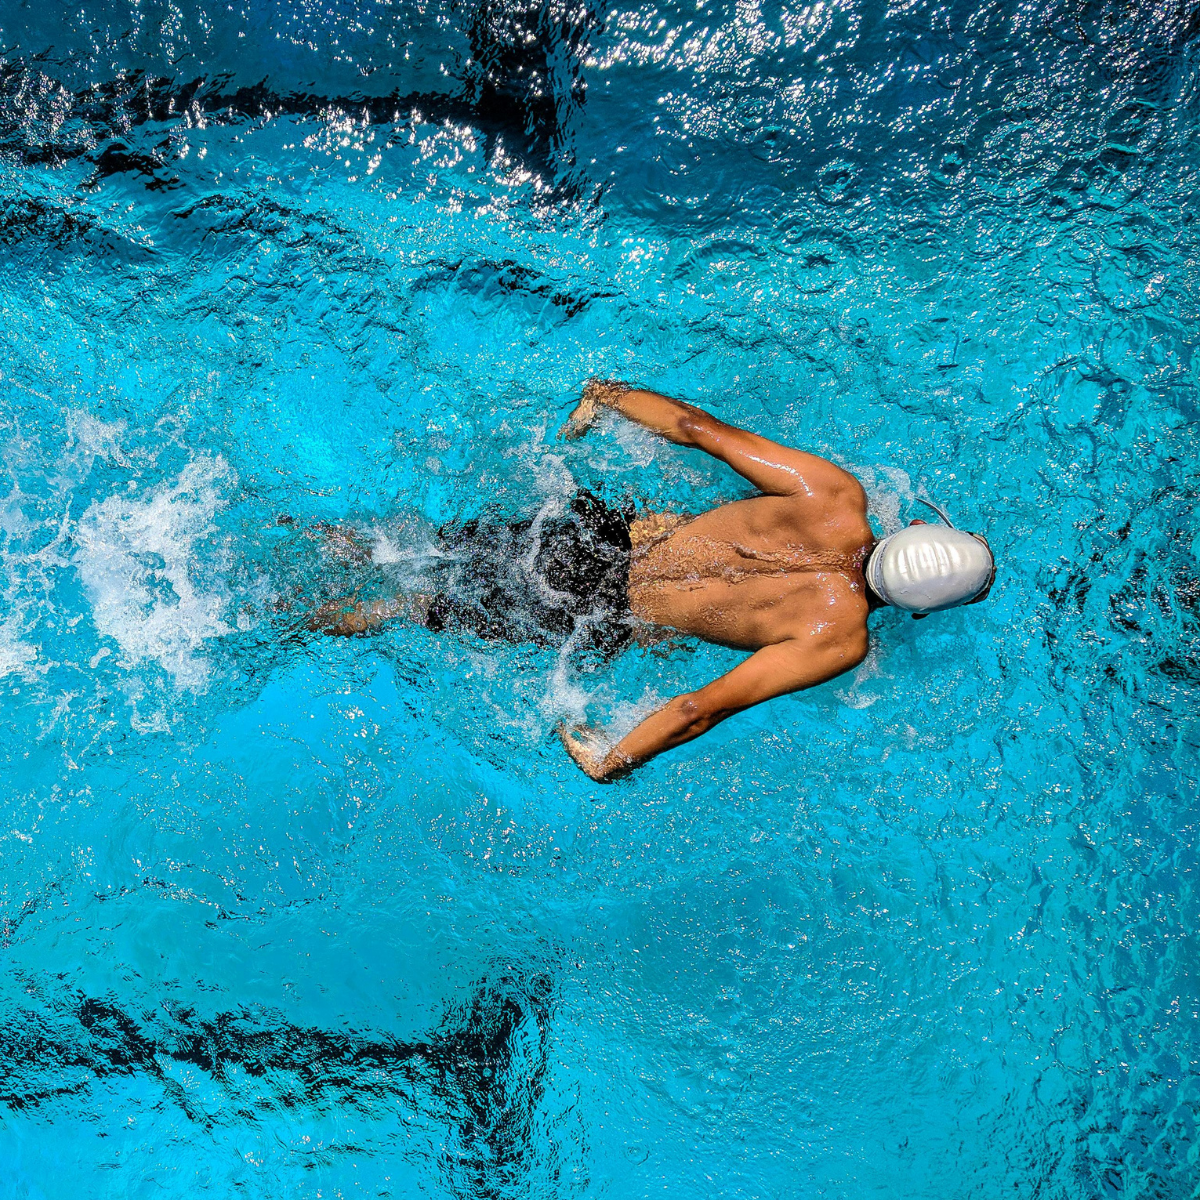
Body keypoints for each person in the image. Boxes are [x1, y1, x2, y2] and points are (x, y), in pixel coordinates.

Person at [311, 380, 995, 780]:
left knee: (415, 549)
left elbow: (698, 429)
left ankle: (312, 534)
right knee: (413, 608)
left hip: (592, 534)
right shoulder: (838, 638)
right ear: (920, 610)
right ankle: (289, 618)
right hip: (598, 611)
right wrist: (615, 759)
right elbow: (702, 707)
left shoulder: (833, 495)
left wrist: (608, 396)